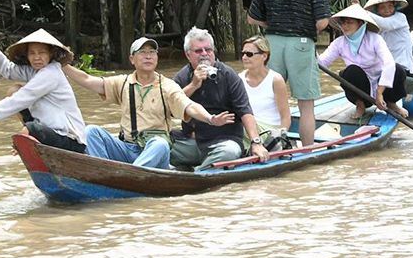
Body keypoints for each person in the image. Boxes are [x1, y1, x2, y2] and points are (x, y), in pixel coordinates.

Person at [61, 36, 233, 169]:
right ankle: (102, 172)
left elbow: (189, 106)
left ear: (157, 58)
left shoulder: (167, 85)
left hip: (153, 151)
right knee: (91, 131)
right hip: (128, 148)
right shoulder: (123, 82)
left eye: (152, 52)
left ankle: (129, 176)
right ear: (132, 59)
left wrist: (210, 119)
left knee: (160, 144)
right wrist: (63, 65)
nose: (148, 56)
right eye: (142, 52)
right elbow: (87, 80)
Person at [247, 0, 330, 146]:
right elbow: (323, 22)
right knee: (306, 106)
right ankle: (307, 151)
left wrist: (272, 25)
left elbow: (252, 18)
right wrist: (304, 27)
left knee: (270, 98)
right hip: (301, 44)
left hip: (271, 44)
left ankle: (264, 145)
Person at [0, 16, 86, 153]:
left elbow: (20, 99)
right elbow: (7, 69)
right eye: (32, 53)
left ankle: (29, 137)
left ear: (50, 54)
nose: (37, 57)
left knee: (29, 128)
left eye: (42, 52)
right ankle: (29, 138)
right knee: (14, 90)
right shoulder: (34, 71)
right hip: (50, 130)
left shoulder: (51, 73)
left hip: (69, 138)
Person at [172, 27, 269, 170]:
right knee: (160, 145)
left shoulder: (228, 75)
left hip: (223, 142)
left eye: (208, 50)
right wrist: (193, 85)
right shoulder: (182, 76)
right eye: (198, 51)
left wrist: (256, 142)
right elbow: (169, 108)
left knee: (230, 152)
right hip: (192, 142)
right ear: (188, 55)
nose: (204, 54)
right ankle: (196, 168)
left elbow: (245, 111)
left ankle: (197, 173)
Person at [318, 4, 409, 119]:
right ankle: (360, 105)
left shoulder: (375, 39)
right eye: (343, 23)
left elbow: (389, 63)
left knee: (398, 69)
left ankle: (391, 103)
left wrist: (379, 92)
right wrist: (310, 49)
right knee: (350, 71)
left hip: (382, 85)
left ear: (360, 23)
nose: (345, 26)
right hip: (361, 87)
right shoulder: (339, 43)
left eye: (349, 22)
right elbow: (322, 63)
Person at [238, 35, 291, 148]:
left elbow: (285, 117)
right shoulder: (239, 79)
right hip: (248, 127)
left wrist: (280, 138)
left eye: (249, 54)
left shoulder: (275, 80)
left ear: (264, 56)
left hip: (268, 131)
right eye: (243, 53)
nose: (244, 57)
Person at [363, 0, 413, 73]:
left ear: (394, 6)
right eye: (382, 7)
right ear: (377, 10)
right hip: (386, 68)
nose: (387, 10)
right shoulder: (376, 25)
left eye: (390, 6)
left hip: (403, 67)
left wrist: (363, 11)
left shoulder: (400, 17)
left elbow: (386, 24)